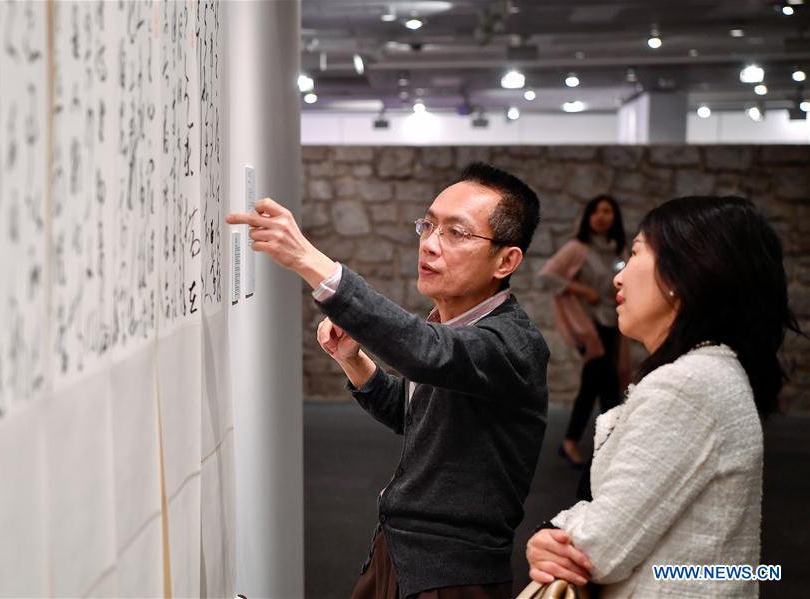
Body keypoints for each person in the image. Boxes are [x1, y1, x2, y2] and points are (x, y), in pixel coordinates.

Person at [227, 163, 550, 598]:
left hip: (451, 575)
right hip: (399, 552)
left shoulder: (511, 342)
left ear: (506, 260)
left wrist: (309, 259)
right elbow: (416, 416)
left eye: (457, 233)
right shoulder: (455, 328)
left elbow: (423, 352)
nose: (431, 245)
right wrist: (353, 361)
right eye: (429, 225)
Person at [525, 196, 803, 598]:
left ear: (683, 275)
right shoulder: (710, 372)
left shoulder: (686, 387)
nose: (618, 278)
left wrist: (550, 534)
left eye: (636, 254)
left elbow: (598, 548)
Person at [538, 195, 630, 467]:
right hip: (588, 327)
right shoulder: (578, 248)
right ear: (589, 216)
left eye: (608, 211)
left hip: (612, 324)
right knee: (608, 384)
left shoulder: (618, 249)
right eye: (597, 211)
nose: (602, 216)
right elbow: (547, 275)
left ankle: (574, 443)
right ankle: (610, 445)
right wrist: (581, 290)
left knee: (594, 384)